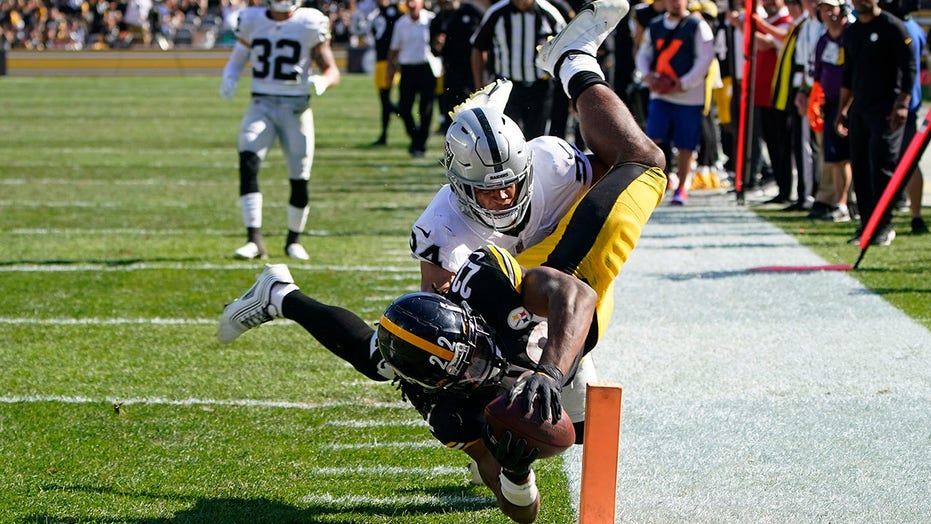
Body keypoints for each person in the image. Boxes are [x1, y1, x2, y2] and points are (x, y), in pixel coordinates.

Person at [217, 2, 665, 521]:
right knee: (394, 356)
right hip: (503, 308)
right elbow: (435, 322)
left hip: (532, 280)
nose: (500, 201)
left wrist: (546, 369)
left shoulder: (541, 182)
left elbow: (602, 206)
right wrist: (514, 473)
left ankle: (573, 63)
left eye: (508, 187)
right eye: (485, 191)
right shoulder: (445, 246)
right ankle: (282, 297)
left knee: (640, 168)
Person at [219, 0, 341, 260]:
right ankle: (254, 240)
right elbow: (237, 59)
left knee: (299, 175)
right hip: (260, 103)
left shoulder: (309, 22)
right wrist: (229, 77)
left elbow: (332, 70)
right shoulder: (251, 19)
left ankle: (293, 240)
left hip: (295, 108)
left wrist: (322, 80)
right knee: (248, 159)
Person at [836, 0, 916, 245]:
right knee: (860, 167)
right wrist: (842, 110)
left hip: (887, 110)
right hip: (860, 109)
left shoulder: (894, 27)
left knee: (881, 167)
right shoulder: (852, 31)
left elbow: (910, 67)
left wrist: (902, 103)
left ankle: (884, 225)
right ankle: (867, 226)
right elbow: (848, 73)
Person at [635, 0, 715, 205]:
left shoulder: (698, 26)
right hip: (660, 95)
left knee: (686, 145)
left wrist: (683, 84)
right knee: (654, 138)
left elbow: (705, 59)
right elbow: (643, 54)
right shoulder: (655, 25)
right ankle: (658, 182)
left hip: (689, 97)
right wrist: (648, 76)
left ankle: (681, 187)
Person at [470, 0, 567, 139]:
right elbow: (478, 47)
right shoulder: (496, 13)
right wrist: (480, 86)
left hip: (540, 85)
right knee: (506, 136)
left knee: (536, 138)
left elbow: (566, 47)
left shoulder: (549, 12)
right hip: (506, 86)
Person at [811, 0, 853, 223]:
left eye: (832, 8)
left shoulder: (852, 35)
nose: (828, 13)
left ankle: (847, 202)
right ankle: (840, 203)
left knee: (848, 157)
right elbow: (818, 74)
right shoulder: (823, 40)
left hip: (851, 103)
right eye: (823, 9)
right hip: (830, 103)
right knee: (835, 157)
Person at [386, 0, 437, 157]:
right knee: (404, 108)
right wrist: (390, 72)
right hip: (408, 70)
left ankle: (419, 144)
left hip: (426, 68)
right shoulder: (401, 23)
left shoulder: (431, 19)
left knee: (426, 109)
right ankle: (416, 138)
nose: (412, 4)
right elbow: (394, 49)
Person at [430, 0, 484, 133]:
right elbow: (435, 51)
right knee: (453, 113)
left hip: (474, 70)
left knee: (476, 111)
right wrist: (437, 45)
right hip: (452, 71)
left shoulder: (472, 11)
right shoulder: (439, 19)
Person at [367, 0, 403, 146]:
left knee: (385, 99)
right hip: (380, 61)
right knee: (384, 100)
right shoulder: (377, 13)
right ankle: (384, 134)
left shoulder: (396, 10)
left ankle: (403, 115)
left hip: (389, 61)